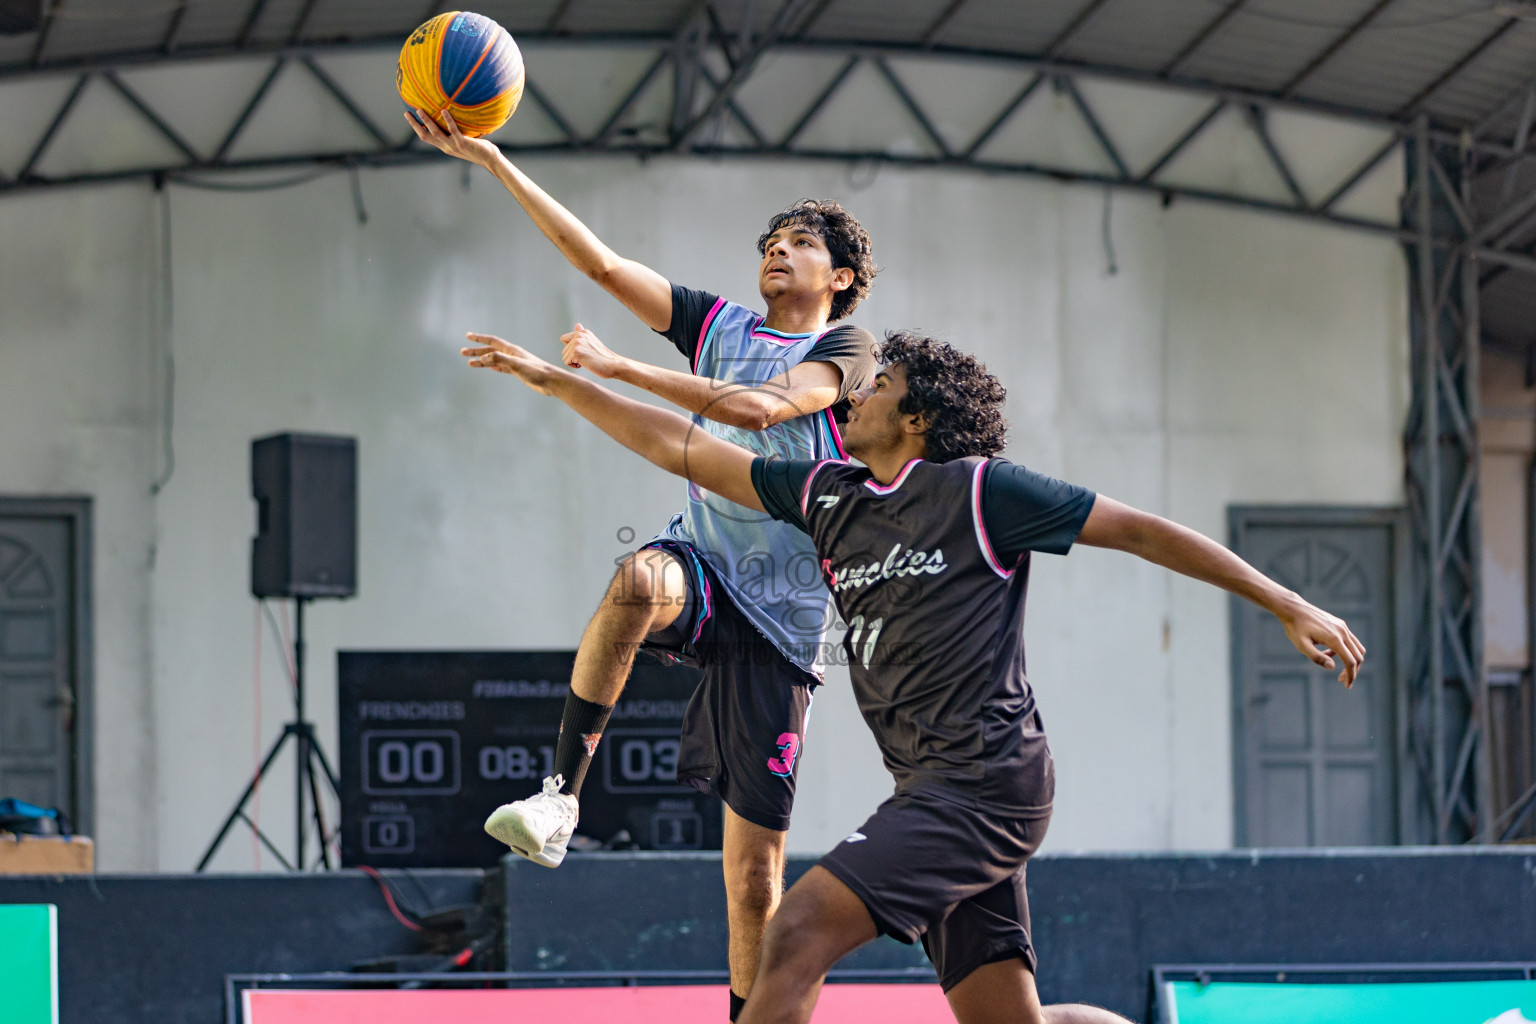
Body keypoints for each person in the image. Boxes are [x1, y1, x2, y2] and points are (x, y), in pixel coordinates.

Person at [456, 326, 1365, 1024]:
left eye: (878, 383)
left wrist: (1286, 599)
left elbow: (1138, 530)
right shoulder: (829, 497)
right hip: (936, 789)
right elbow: (682, 450)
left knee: (795, 935)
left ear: (917, 418)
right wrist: (555, 377)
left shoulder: (979, 491)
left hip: (986, 786)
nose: (857, 392)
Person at [406, 110, 880, 1015]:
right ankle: (559, 799)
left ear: (843, 276)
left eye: (801, 243)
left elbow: (762, 411)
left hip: (783, 620)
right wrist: (496, 160)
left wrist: (619, 367)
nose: (778, 251)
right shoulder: (716, 321)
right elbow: (599, 262)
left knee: (753, 880)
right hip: (700, 564)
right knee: (635, 582)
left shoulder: (845, 352)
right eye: (771, 241)